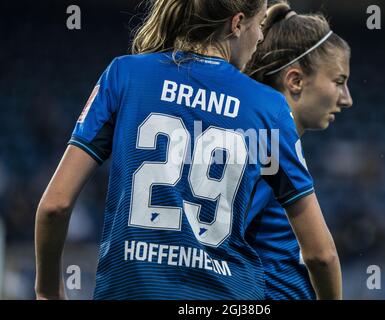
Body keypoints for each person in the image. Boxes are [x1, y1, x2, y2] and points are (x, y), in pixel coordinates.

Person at [34, 0, 327, 300]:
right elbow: (321, 254)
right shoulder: (269, 107)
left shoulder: (124, 75)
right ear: (237, 24)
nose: (261, 38)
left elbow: (54, 206)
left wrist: (47, 291)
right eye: (260, 25)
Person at [244, 3, 353, 300]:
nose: (347, 100)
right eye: (339, 82)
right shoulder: (271, 140)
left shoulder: (252, 133)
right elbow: (321, 255)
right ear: (295, 80)